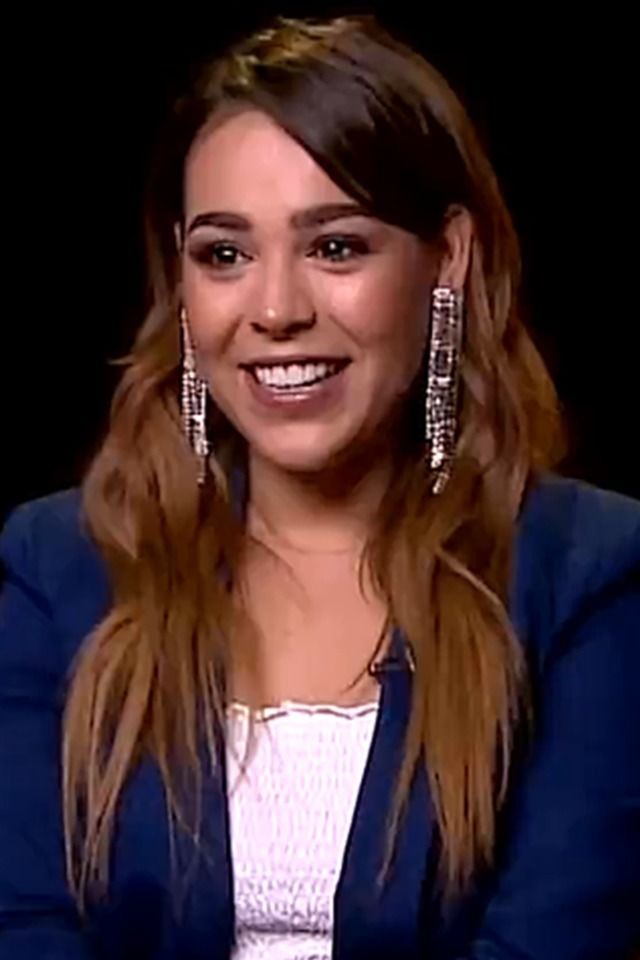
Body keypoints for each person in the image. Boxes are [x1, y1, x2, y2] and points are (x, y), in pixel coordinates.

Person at [0, 13, 638, 960]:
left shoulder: (589, 571)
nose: (275, 310)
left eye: (335, 247)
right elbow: (23, 927)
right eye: (224, 254)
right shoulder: (60, 566)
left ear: (448, 256)